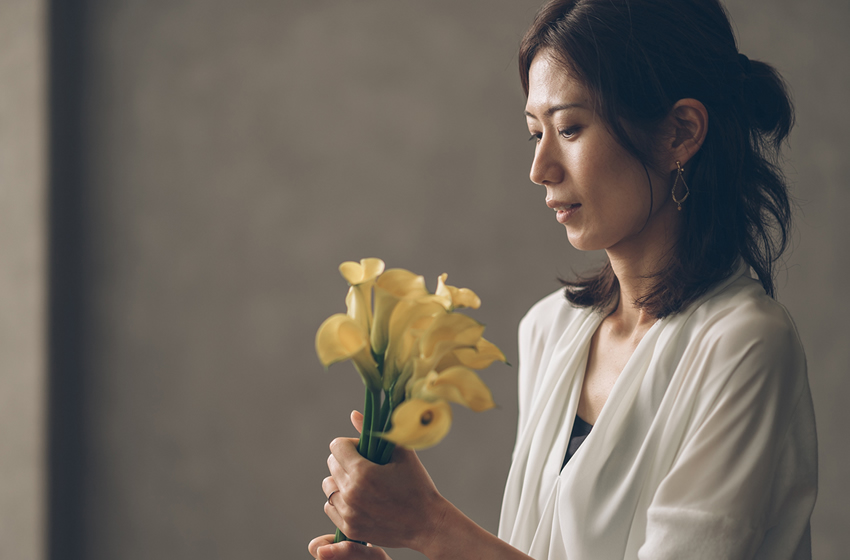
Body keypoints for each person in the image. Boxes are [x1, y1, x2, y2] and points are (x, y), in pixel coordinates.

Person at [309, 0, 818, 557]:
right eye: (535, 133)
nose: (539, 169)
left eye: (570, 128)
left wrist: (427, 524)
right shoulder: (551, 329)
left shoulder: (743, 345)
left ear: (679, 132)